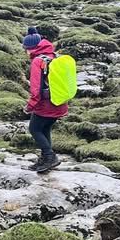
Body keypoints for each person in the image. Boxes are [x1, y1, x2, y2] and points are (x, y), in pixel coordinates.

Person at [23, 28, 68, 173]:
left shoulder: (38, 61)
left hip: (45, 104)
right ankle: (45, 159)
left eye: (26, 49)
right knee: (45, 128)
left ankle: (49, 156)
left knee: (34, 129)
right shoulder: (53, 56)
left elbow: (35, 90)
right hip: (59, 102)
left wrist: (30, 106)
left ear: (31, 48)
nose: (25, 52)